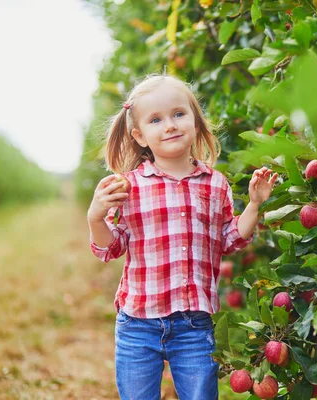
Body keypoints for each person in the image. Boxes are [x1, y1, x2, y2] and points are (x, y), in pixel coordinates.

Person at [86, 73, 278, 400]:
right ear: (140, 136)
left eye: (178, 114)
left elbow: (229, 239)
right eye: (156, 119)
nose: (170, 125)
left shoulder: (215, 183)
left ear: (195, 120)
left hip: (193, 326)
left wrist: (255, 205)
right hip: (137, 323)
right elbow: (111, 247)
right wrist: (95, 217)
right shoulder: (129, 185)